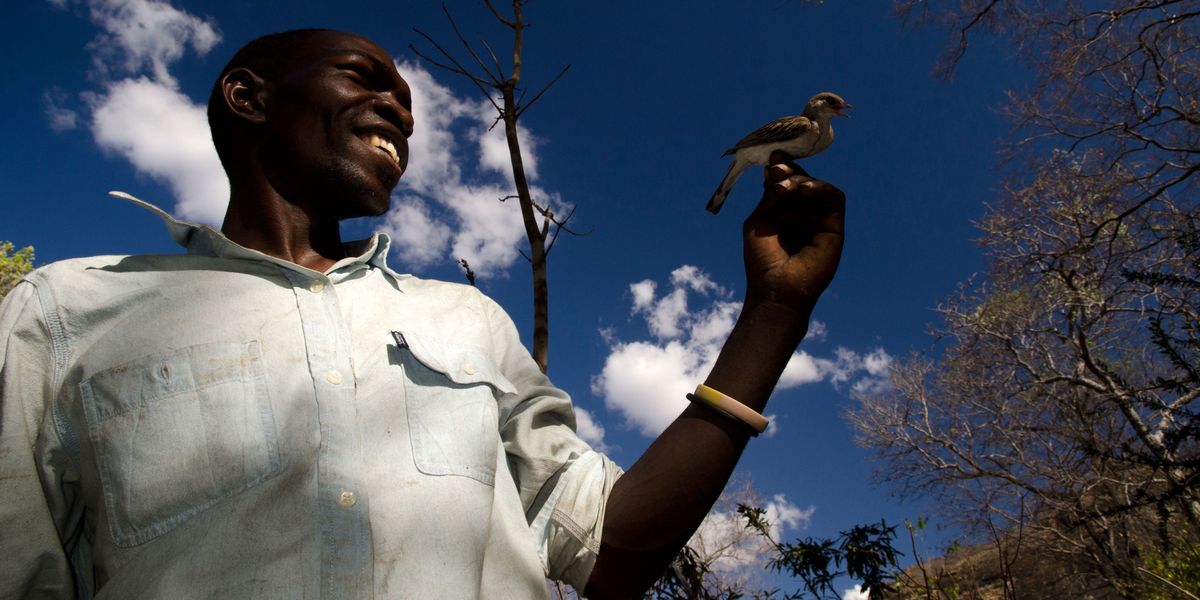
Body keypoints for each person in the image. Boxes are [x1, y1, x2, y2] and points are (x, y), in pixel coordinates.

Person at [0, 29, 845, 599]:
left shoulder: (470, 321)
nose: (403, 111)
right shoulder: (67, 313)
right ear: (249, 98)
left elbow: (608, 550)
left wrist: (773, 315)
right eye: (368, 80)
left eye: (409, 100)